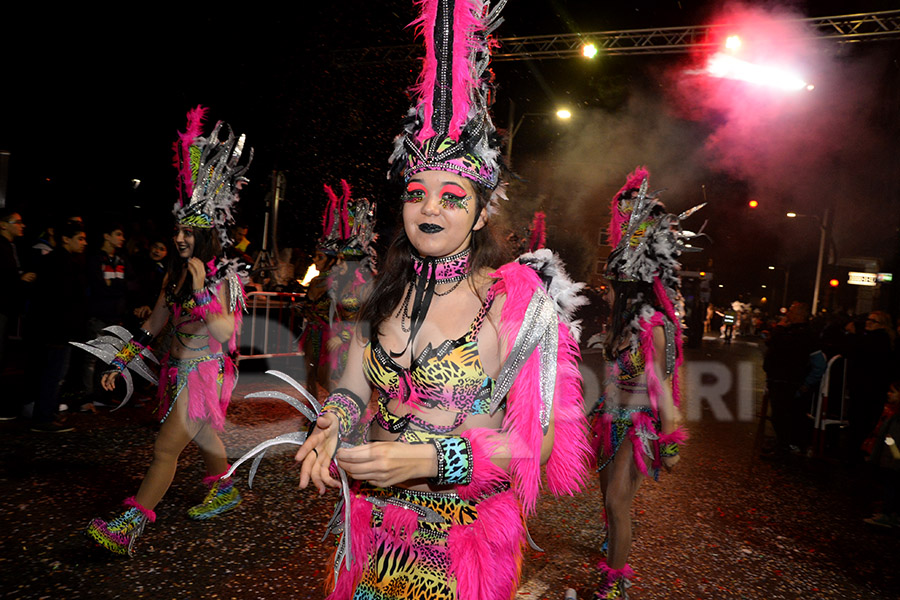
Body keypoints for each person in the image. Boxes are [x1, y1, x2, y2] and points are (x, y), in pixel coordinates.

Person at [287, 3, 591, 598]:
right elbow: (352, 385)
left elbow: (538, 443)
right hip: (376, 529)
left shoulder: (519, 306)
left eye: (452, 197)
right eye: (417, 193)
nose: (430, 208)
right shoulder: (384, 293)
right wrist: (333, 423)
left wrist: (427, 461)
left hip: (464, 544)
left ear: (480, 216)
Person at [84, 107, 251, 556]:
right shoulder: (172, 275)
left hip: (202, 374)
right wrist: (119, 362)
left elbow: (223, 331)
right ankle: (225, 487)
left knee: (164, 450)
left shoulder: (222, 278)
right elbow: (155, 324)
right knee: (204, 437)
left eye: (188, 231)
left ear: (206, 235)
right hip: (174, 373)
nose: (179, 237)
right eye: (177, 229)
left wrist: (200, 290)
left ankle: (129, 525)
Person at [590, 167, 694, 598]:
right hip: (609, 419)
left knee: (618, 502)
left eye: (614, 286)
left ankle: (617, 582)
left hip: (638, 426)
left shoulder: (654, 326)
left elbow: (664, 386)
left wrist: (670, 440)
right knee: (606, 504)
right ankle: (613, 542)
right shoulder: (614, 328)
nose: (607, 291)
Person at [26, 221, 89, 432]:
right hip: (57, 328)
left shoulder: (64, 261)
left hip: (59, 328)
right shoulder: (59, 263)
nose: (83, 243)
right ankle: (43, 417)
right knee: (53, 373)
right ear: (66, 239)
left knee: (55, 373)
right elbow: (60, 300)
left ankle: (48, 412)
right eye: (79, 238)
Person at [762, 301, 825, 458]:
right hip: (780, 379)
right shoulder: (794, 332)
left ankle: (784, 448)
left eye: (791, 311)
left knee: (783, 416)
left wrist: (807, 384)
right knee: (779, 415)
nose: (787, 314)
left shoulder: (804, 334)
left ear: (799, 314)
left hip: (789, 381)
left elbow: (819, 363)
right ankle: (783, 445)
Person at [0, 209, 36, 419]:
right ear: (4, 224)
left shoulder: (12, 246)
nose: (22, 226)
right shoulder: (1, 247)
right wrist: (19, 281)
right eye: (17, 222)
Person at [864, 381, 900, 528]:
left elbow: (893, 439)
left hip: (895, 460)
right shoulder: (894, 413)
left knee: (893, 486)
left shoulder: (897, 417)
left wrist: (894, 456)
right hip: (892, 458)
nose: (889, 394)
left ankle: (889, 515)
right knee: (891, 485)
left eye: (893, 392)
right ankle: (891, 514)